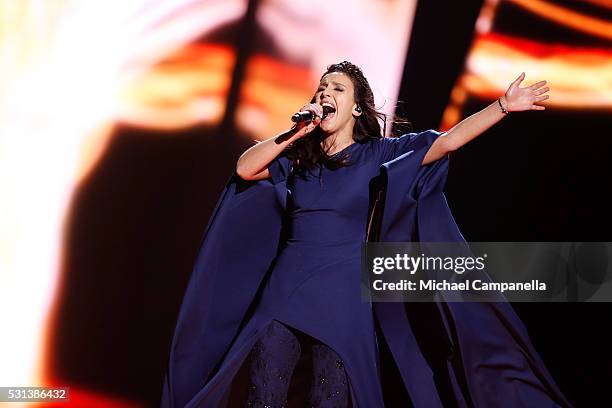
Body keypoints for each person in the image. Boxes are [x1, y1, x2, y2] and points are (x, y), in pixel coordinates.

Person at [161, 61, 571, 407]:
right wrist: (295, 134)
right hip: (284, 295)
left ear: (357, 108)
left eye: (337, 88)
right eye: (322, 87)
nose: (326, 93)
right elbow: (246, 168)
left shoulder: (376, 156)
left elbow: (447, 143)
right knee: (263, 396)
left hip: (342, 301)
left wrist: (501, 106)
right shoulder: (299, 160)